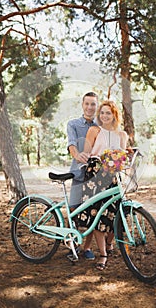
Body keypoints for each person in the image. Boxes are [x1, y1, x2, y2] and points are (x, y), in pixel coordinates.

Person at [83, 100, 128, 270]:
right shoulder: (95, 130)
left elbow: (122, 156)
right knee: (97, 215)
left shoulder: (122, 135)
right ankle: (103, 254)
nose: (104, 116)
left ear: (114, 115)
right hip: (95, 174)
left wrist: (125, 156)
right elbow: (87, 153)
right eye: (102, 113)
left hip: (113, 176)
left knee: (115, 214)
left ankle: (109, 245)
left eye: (108, 113)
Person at [67, 91, 98, 260]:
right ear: (82, 104)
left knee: (93, 211)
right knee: (73, 209)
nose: (90, 107)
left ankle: (86, 247)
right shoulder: (73, 124)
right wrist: (77, 155)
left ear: (96, 106)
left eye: (93, 104)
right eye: (87, 103)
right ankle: (73, 244)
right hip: (79, 173)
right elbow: (71, 144)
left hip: (95, 175)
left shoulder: (101, 125)